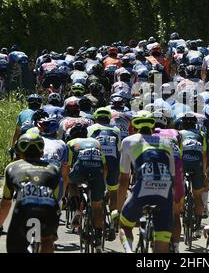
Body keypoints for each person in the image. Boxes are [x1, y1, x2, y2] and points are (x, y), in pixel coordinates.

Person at [0, 133, 61, 253]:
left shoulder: (12, 167)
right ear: (41, 151)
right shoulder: (54, 169)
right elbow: (57, 199)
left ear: (19, 151)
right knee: (47, 239)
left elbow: (6, 203)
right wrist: (53, 230)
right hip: (49, 212)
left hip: (23, 212)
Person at [117, 111, 175, 253]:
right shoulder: (167, 142)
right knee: (162, 241)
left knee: (124, 225)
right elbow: (172, 176)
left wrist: (118, 209)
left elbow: (124, 178)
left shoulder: (128, 141)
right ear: (152, 126)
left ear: (133, 126)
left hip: (143, 188)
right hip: (165, 191)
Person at [67, 123, 108, 253]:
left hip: (80, 169)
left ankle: (75, 202)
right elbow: (105, 166)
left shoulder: (70, 143)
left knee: (72, 182)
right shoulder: (96, 142)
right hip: (98, 172)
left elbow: (66, 166)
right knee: (97, 206)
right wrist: (103, 182)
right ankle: (98, 235)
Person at [152, 110, 185, 252]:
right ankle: (176, 246)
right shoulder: (176, 132)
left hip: (155, 166)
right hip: (175, 165)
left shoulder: (150, 135)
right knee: (176, 213)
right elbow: (181, 153)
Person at [179, 112, 208, 242]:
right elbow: (205, 155)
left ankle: (180, 208)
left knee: (178, 193)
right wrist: (204, 172)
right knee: (197, 195)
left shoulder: (178, 134)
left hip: (183, 162)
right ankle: (197, 226)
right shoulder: (201, 134)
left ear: (183, 124)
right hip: (197, 164)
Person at [87, 108, 122, 218]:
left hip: (96, 160)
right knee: (113, 191)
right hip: (113, 161)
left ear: (96, 118)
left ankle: (94, 215)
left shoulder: (90, 128)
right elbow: (119, 147)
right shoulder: (116, 129)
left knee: (93, 187)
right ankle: (113, 220)